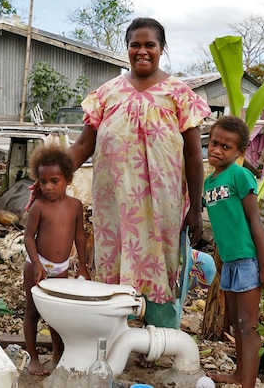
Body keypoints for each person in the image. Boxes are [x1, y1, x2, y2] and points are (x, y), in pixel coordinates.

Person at [68, 17, 212, 330]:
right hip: (115, 206)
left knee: (160, 266)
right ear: (127, 48)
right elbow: (82, 145)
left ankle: (158, 342)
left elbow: (192, 154)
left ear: (162, 49)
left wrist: (196, 208)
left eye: (150, 45)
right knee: (114, 264)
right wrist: (48, 176)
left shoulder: (179, 95)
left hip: (162, 207)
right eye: (136, 45)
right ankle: (115, 336)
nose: (142, 51)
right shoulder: (106, 94)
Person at [202, 115, 264, 387]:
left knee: (248, 324)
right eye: (214, 143)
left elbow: (254, 221)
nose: (217, 150)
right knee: (235, 322)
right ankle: (239, 373)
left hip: (249, 260)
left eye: (226, 147)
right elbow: (222, 226)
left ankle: (248, 383)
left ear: (240, 152)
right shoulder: (210, 182)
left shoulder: (240, 175)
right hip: (230, 262)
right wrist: (220, 261)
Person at [22, 144, 90, 376]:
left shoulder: (75, 206)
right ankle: (33, 358)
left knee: (57, 315)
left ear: (68, 180)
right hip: (37, 263)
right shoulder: (39, 207)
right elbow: (29, 238)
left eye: (54, 181)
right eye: (43, 181)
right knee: (32, 312)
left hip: (61, 267)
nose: (48, 187)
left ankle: (58, 354)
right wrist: (37, 264)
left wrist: (82, 265)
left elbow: (80, 236)